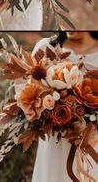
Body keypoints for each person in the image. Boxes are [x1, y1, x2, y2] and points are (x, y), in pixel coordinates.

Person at [32, 31, 98, 182]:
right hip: (55, 143)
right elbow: (25, 93)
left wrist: (91, 131)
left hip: (93, 142)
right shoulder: (45, 47)